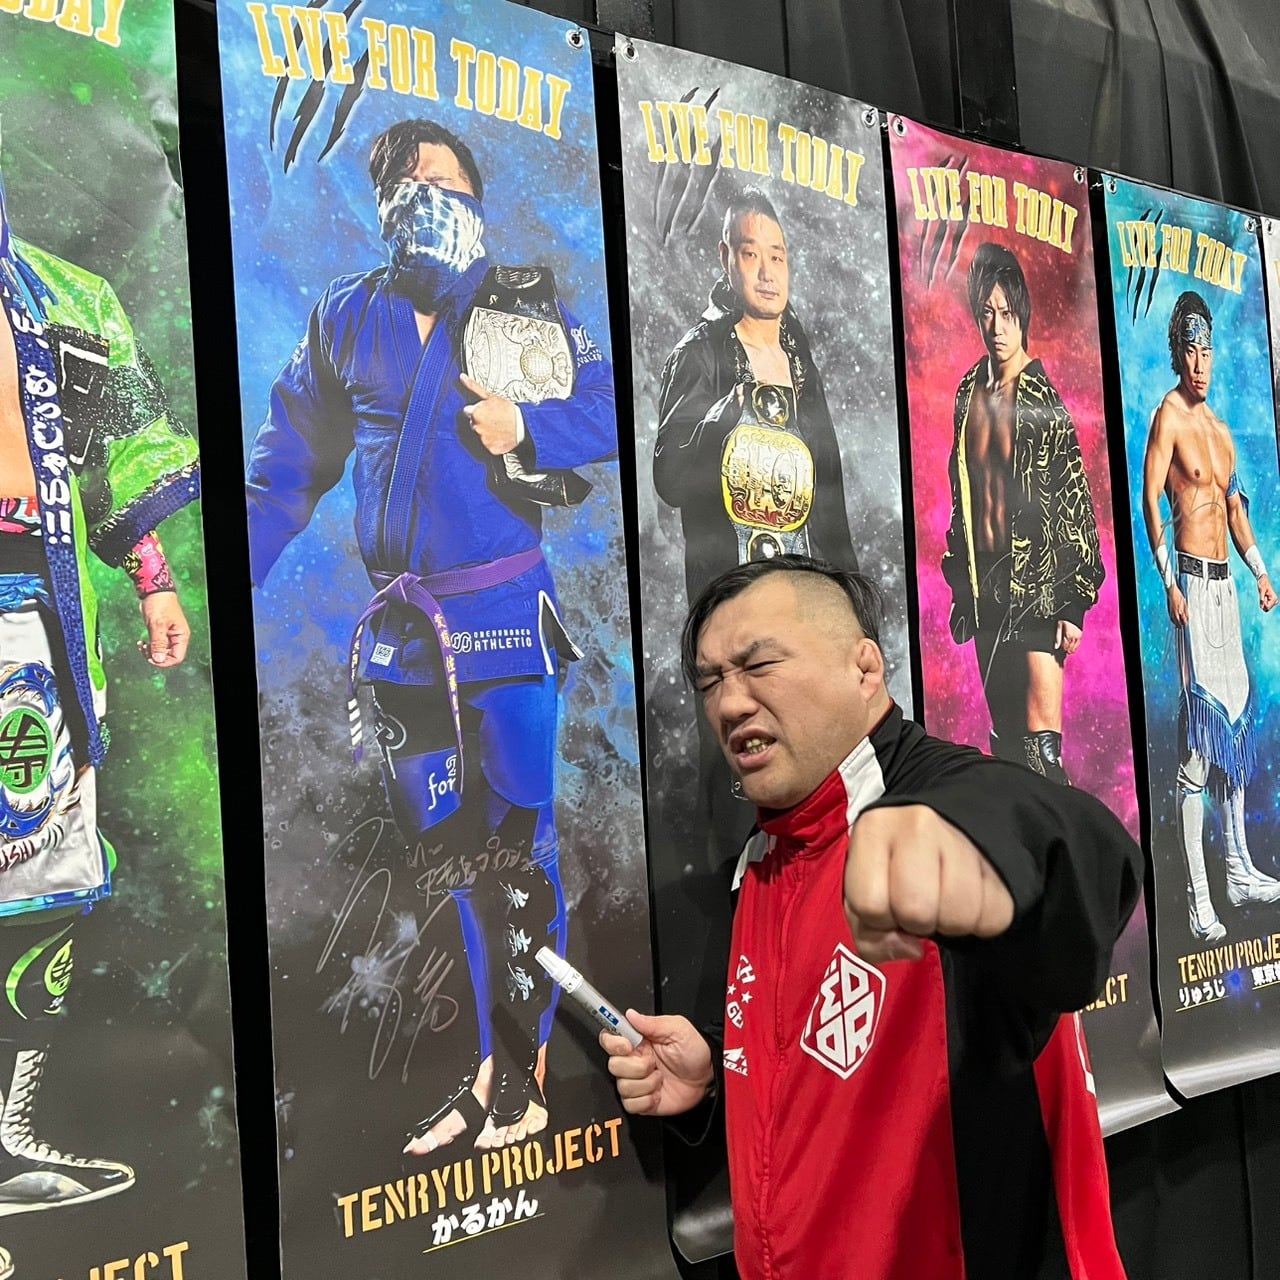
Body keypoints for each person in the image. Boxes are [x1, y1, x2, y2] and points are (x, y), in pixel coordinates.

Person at [601, 555, 1140, 1280]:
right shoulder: (763, 860)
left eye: (759, 665)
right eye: (710, 681)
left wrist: (979, 844)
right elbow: (853, 1064)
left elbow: (1074, 846)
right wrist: (717, 1080)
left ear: (864, 668)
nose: (729, 704)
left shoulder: (937, 808)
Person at [245, 118, 617, 1155]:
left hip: (505, 622)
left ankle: (525, 1077)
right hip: (404, 640)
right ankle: (488, 1068)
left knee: (519, 853)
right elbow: (283, 468)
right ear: (381, 206)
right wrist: (229, 576)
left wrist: (527, 427)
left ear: (476, 199)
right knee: (449, 862)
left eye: (443, 180)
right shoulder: (345, 315)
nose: (425, 196)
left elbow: (605, 403)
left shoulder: (520, 307)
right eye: (404, 183)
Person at [0, 166, 197, 1269]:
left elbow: (118, 445)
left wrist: (154, 577)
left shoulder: (65, 297)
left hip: (42, 607)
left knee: (49, 873)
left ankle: (8, 1137)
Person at [654, 188, 859, 868]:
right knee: (740, 778)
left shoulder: (801, 356)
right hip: (735, 615)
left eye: (778, 256)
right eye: (751, 254)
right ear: (726, 259)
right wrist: (726, 414)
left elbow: (828, 490)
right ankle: (737, 908)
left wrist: (853, 604)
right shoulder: (701, 352)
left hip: (806, 610)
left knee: (817, 767)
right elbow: (669, 477)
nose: (768, 272)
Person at [1142, 290, 1280, 942]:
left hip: (1227, 591)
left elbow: (1234, 509)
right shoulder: (1167, 417)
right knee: (1199, 748)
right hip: (1193, 590)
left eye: (1208, 350)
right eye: (1191, 350)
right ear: (1178, 354)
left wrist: (1260, 572)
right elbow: (1150, 500)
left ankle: (1238, 872)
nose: (1201, 362)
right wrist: (1169, 582)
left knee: (1236, 733)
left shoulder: (1222, 432)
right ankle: (1201, 900)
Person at [942, 242, 1104, 783]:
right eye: (987, 313)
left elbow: (1074, 501)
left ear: (1023, 313)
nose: (997, 327)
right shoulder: (967, 391)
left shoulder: (1040, 397)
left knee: (1042, 757)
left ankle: (1068, 838)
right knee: (1009, 749)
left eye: (1007, 313)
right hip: (987, 591)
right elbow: (962, 494)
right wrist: (961, 583)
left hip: (1039, 590)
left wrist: (1073, 604)